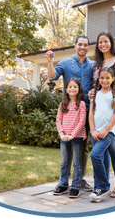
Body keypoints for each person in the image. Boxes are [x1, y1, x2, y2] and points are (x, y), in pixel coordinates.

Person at [45, 36, 94, 191]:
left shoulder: (93, 65)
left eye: (85, 45)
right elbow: (52, 76)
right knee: (66, 147)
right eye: (80, 44)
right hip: (69, 111)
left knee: (83, 147)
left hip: (86, 110)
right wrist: (50, 62)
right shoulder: (66, 62)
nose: (83, 47)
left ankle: (80, 180)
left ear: (88, 47)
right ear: (75, 46)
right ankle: (64, 181)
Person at [89, 31, 115, 198]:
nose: (102, 44)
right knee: (102, 147)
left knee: (113, 146)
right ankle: (102, 184)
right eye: (100, 42)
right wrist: (92, 93)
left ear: (111, 42)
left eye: (105, 41)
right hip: (100, 106)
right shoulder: (96, 63)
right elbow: (96, 84)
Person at [89, 67, 115, 202]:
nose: (104, 80)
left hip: (108, 132)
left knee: (95, 154)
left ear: (113, 79)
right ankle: (98, 189)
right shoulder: (94, 94)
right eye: (102, 78)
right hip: (95, 131)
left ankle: (103, 186)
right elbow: (91, 113)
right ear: (98, 78)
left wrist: (106, 130)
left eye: (107, 78)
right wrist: (92, 130)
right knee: (100, 158)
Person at [53, 78, 87, 198]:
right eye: (70, 87)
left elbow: (82, 121)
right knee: (64, 162)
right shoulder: (63, 104)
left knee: (77, 163)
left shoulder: (81, 104)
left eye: (75, 87)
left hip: (76, 137)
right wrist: (62, 134)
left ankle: (76, 186)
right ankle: (63, 184)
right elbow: (58, 120)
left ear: (78, 89)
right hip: (64, 137)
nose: (72, 89)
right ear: (66, 89)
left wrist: (73, 134)